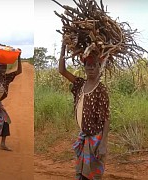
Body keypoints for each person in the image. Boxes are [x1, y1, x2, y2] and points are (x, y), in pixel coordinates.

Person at [59, 40, 110, 180]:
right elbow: (62, 70)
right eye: (88, 65)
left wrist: (103, 144)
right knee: (82, 174)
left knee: (92, 175)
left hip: (96, 139)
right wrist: (63, 46)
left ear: (99, 67)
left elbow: (106, 118)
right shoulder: (80, 84)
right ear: (85, 67)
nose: (91, 68)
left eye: (94, 65)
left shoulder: (101, 90)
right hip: (84, 136)